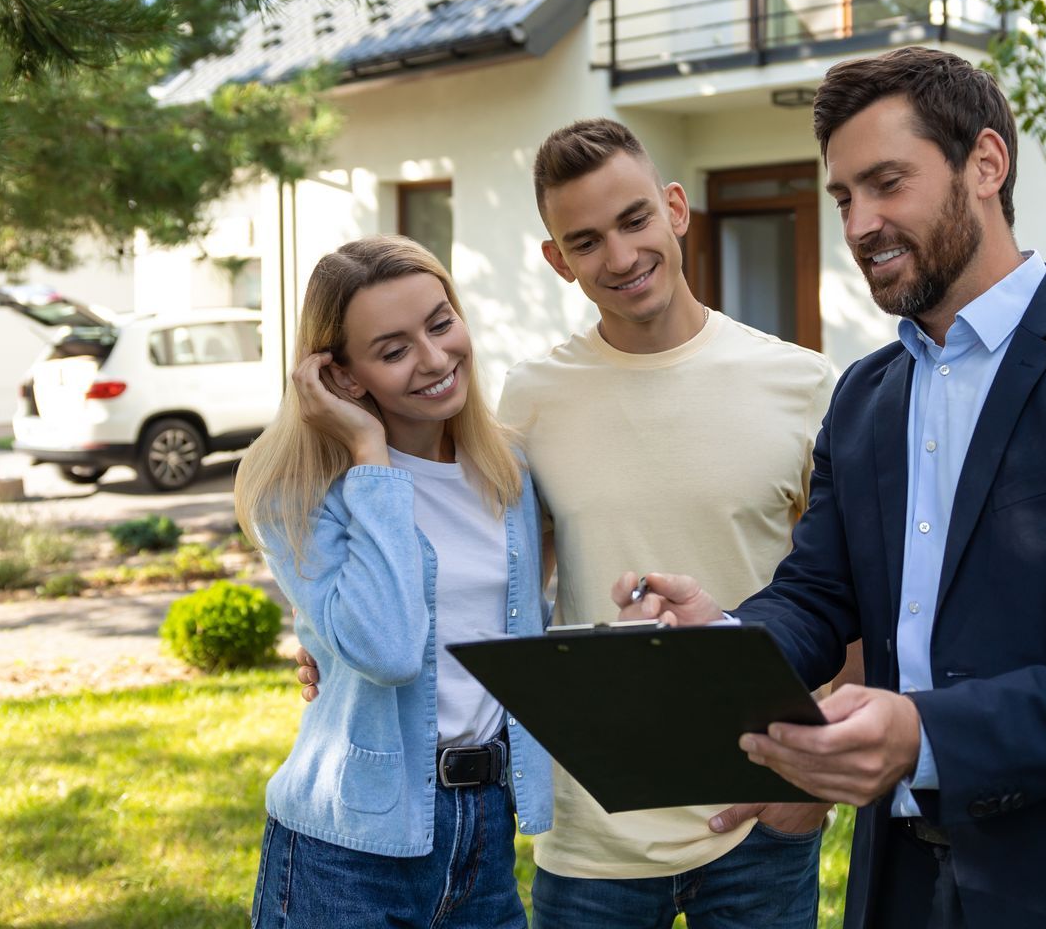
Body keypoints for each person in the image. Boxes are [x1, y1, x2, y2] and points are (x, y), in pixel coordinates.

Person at [616, 46, 1046, 928]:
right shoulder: (866, 397)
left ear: (986, 165)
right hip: (901, 888)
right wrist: (721, 637)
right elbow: (817, 594)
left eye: (887, 183)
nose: (861, 222)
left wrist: (927, 735)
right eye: (844, 198)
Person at [298, 119, 842, 929]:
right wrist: (326, 637)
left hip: (757, 817)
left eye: (633, 222)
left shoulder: (804, 385)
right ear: (557, 260)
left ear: (675, 209)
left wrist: (805, 784)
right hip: (591, 834)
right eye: (585, 241)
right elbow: (478, 569)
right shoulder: (529, 401)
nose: (620, 258)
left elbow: (849, 599)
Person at [235, 235, 552, 929]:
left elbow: (520, 626)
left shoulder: (510, 473)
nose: (435, 359)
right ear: (342, 378)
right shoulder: (297, 493)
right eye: (393, 349)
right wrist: (370, 457)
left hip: (485, 834)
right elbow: (388, 649)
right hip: (347, 850)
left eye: (440, 324)